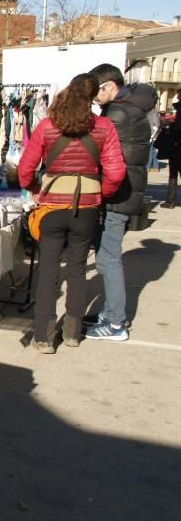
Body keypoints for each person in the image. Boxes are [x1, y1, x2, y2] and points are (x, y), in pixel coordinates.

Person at [18, 73, 126, 353]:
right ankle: (72, 333)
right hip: (87, 208)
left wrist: (33, 188)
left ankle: (43, 337)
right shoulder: (104, 127)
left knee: (49, 270)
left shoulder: (47, 126)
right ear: (92, 96)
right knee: (77, 269)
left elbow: (25, 169)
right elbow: (116, 172)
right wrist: (100, 192)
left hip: (52, 207)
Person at [84, 63, 158, 342]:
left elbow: (94, 145)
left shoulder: (119, 112)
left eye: (96, 91)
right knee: (107, 255)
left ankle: (116, 323)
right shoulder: (129, 106)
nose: (93, 97)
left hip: (118, 194)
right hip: (125, 190)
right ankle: (110, 312)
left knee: (108, 258)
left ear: (110, 86)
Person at [160, 92, 181, 208]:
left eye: (179, 95)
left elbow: (178, 127)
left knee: (173, 174)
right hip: (177, 146)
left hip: (177, 146)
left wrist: (170, 125)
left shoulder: (180, 110)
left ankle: (170, 200)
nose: (177, 97)